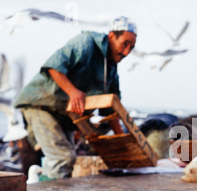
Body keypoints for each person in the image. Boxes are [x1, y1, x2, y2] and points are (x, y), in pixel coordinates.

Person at [13, 16, 137, 180]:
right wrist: (73, 92)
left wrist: (123, 142)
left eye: (132, 47)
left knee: (68, 158)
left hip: (66, 117)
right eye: (125, 44)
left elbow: (113, 109)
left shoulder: (111, 71)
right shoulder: (86, 42)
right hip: (42, 105)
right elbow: (54, 66)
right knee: (62, 157)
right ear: (112, 36)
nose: (127, 52)